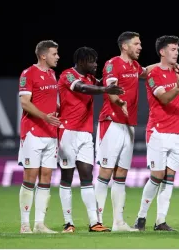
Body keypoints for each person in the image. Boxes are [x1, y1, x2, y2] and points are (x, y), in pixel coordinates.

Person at [57, 47, 123, 233]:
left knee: (87, 177)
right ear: (81, 61)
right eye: (92, 61)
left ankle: (94, 222)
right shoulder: (67, 75)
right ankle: (68, 222)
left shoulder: (92, 79)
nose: (95, 64)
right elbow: (82, 88)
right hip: (67, 131)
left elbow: (103, 83)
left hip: (85, 134)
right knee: (67, 177)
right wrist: (105, 88)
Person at [94, 31, 154, 232]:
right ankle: (98, 221)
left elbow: (147, 71)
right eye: (136, 43)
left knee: (121, 174)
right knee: (105, 171)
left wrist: (168, 65)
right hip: (111, 122)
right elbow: (110, 89)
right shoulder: (112, 64)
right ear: (125, 46)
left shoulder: (135, 66)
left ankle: (118, 222)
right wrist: (119, 102)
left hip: (128, 124)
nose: (140, 47)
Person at [133, 35, 179, 231]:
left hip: (177, 133)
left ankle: (160, 221)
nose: (177, 52)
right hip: (158, 131)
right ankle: (140, 218)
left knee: (170, 178)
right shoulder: (153, 74)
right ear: (162, 52)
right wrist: (177, 87)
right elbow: (164, 98)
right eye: (173, 49)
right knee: (157, 176)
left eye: (177, 49)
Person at [18, 40, 61, 233]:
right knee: (30, 176)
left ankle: (39, 224)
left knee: (46, 177)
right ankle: (25, 224)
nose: (57, 57)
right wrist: (45, 116)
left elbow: (53, 102)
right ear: (43, 55)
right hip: (33, 132)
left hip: (51, 134)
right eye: (54, 53)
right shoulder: (28, 74)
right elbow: (25, 103)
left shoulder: (52, 74)